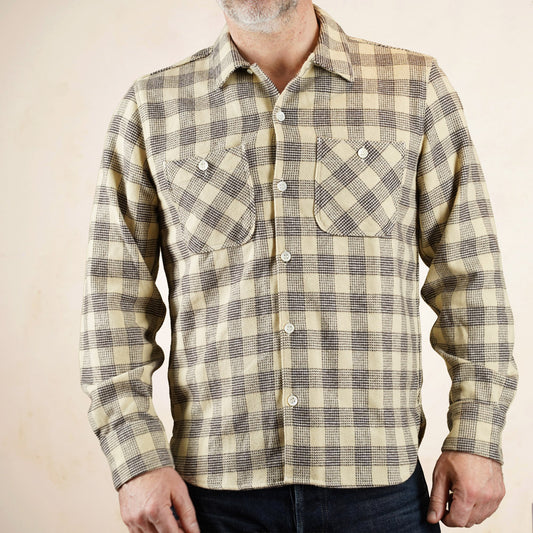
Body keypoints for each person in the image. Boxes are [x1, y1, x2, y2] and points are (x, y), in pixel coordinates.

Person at [78, 1, 518, 531]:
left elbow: (469, 274)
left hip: (379, 492)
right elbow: (114, 301)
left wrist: (477, 435)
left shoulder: (414, 87)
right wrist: (135, 459)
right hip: (213, 498)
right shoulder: (152, 107)